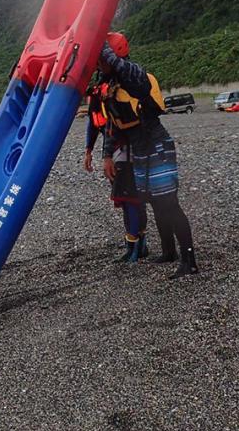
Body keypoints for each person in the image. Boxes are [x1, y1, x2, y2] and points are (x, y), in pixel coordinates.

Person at [96, 32, 199, 277]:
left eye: (101, 60)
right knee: (154, 201)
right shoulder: (111, 86)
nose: (98, 66)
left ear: (113, 56)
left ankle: (189, 261)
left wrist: (102, 45)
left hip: (157, 146)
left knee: (169, 204)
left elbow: (126, 71)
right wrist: (106, 155)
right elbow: (113, 126)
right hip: (139, 149)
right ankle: (168, 251)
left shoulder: (135, 77)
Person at [84, 70, 148, 262]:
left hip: (126, 149)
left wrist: (107, 156)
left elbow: (114, 126)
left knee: (129, 198)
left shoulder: (118, 86)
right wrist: (89, 150)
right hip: (117, 150)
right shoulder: (100, 89)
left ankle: (135, 246)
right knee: (129, 198)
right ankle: (138, 244)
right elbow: (94, 122)